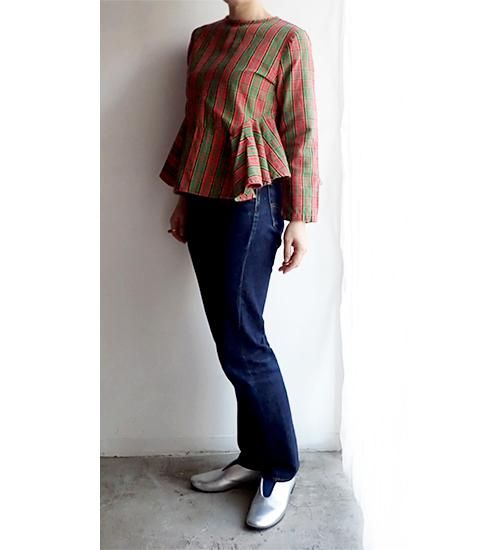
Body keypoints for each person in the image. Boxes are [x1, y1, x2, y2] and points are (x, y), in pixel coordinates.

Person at [158, 0, 320, 530]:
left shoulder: (288, 40)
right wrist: (184, 199)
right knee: (230, 334)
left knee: (242, 338)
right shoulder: (202, 38)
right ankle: (253, 455)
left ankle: (281, 466)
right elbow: (196, 123)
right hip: (203, 196)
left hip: (252, 200)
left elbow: (301, 133)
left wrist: (300, 218)